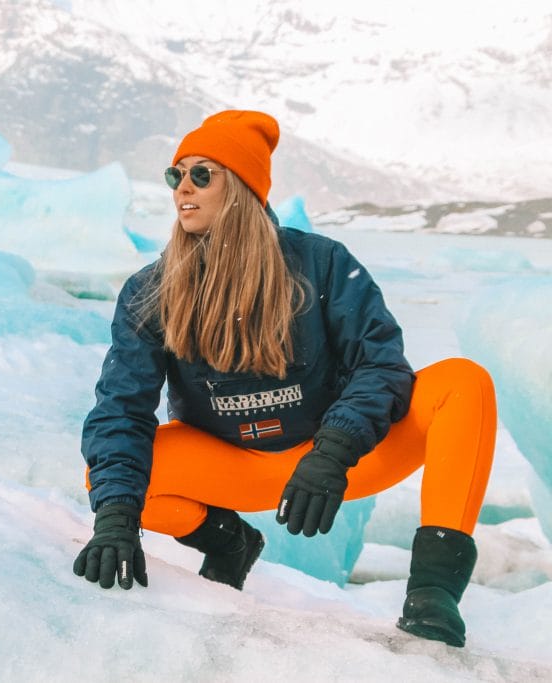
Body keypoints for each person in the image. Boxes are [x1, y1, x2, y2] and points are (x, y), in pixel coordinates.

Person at [71, 110, 497, 649]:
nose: (184, 188)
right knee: (108, 482)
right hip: (232, 465)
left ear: (244, 186)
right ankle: (228, 543)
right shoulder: (150, 290)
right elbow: (121, 409)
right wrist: (114, 521)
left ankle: (433, 592)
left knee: (463, 382)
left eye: (203, 174)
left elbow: (381, 363)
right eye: (175, 174)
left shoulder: (322, 264)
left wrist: (333, 451)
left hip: (334, 459)